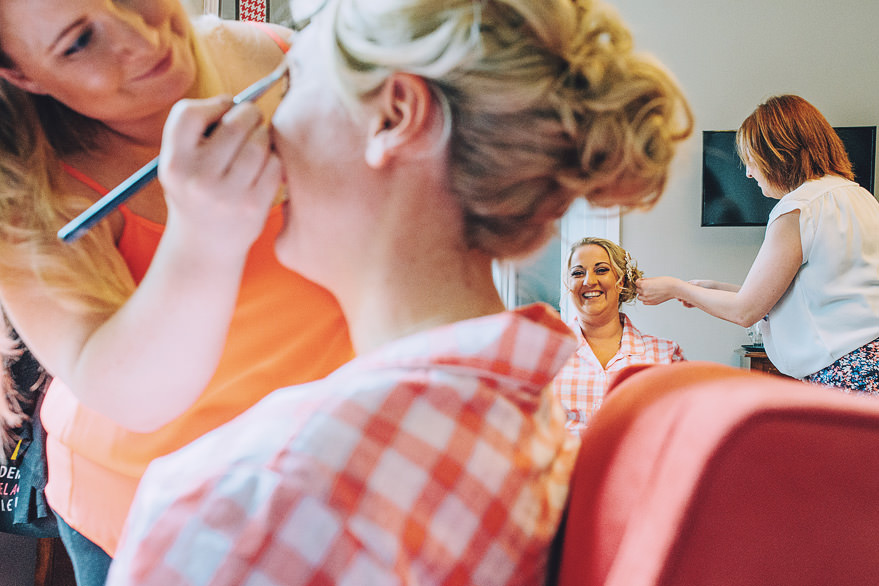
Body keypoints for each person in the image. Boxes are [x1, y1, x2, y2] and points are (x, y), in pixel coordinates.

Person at [105, 0, 693, 583]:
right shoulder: (527, 423)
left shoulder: (250, 498)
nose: (266, 124)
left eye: (293, 80)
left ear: (394, 114)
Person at [0, 1, 353, 583]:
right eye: (79, 42)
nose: (142, 36)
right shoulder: (28, 191)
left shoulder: (291, 60)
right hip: (148, 505)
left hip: (323, 471)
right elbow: (131, 397)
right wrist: (202, 239)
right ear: (22, 74)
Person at [638, 94, 879, 393]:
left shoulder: (797, 208)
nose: (750, 173)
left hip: (847, 374)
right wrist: (712, 288)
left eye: (751, 161)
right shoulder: (860, 197)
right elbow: (808, 297)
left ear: (778, 154)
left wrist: (676, 288)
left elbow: (745, 311)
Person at [552, 237, 684, 432]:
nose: (589, 281)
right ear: (568, 285)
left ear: (620, 280)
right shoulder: (545, 353)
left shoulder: (665, 355)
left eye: (601, 270)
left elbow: (681, 431)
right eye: (578, 273)